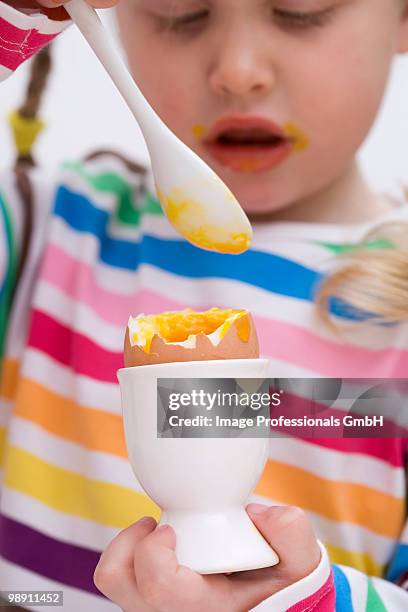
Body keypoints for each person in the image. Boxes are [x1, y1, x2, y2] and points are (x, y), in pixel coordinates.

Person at [0, 0, 408, 609]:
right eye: (180, 12)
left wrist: (302, 601)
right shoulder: (45, 230)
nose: (237, 71)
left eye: (302, 10)